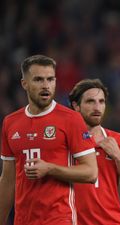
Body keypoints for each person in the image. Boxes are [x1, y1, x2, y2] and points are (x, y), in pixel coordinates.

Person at [0, 55, 98, 225]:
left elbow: (91, 172)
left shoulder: (71, 119)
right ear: (24, 84)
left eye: (50, 79)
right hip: (23, 220)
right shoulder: (10, 122)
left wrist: (50, 168)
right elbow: (7, 180)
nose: (46, 85)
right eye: (38, 80)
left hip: (59, 218)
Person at [68, 78, 120, 225]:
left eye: (101, 102)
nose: (97, 107)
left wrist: (118, 156)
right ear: (76, 106)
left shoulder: (119, 141)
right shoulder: (65, 142)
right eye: (90, 102)